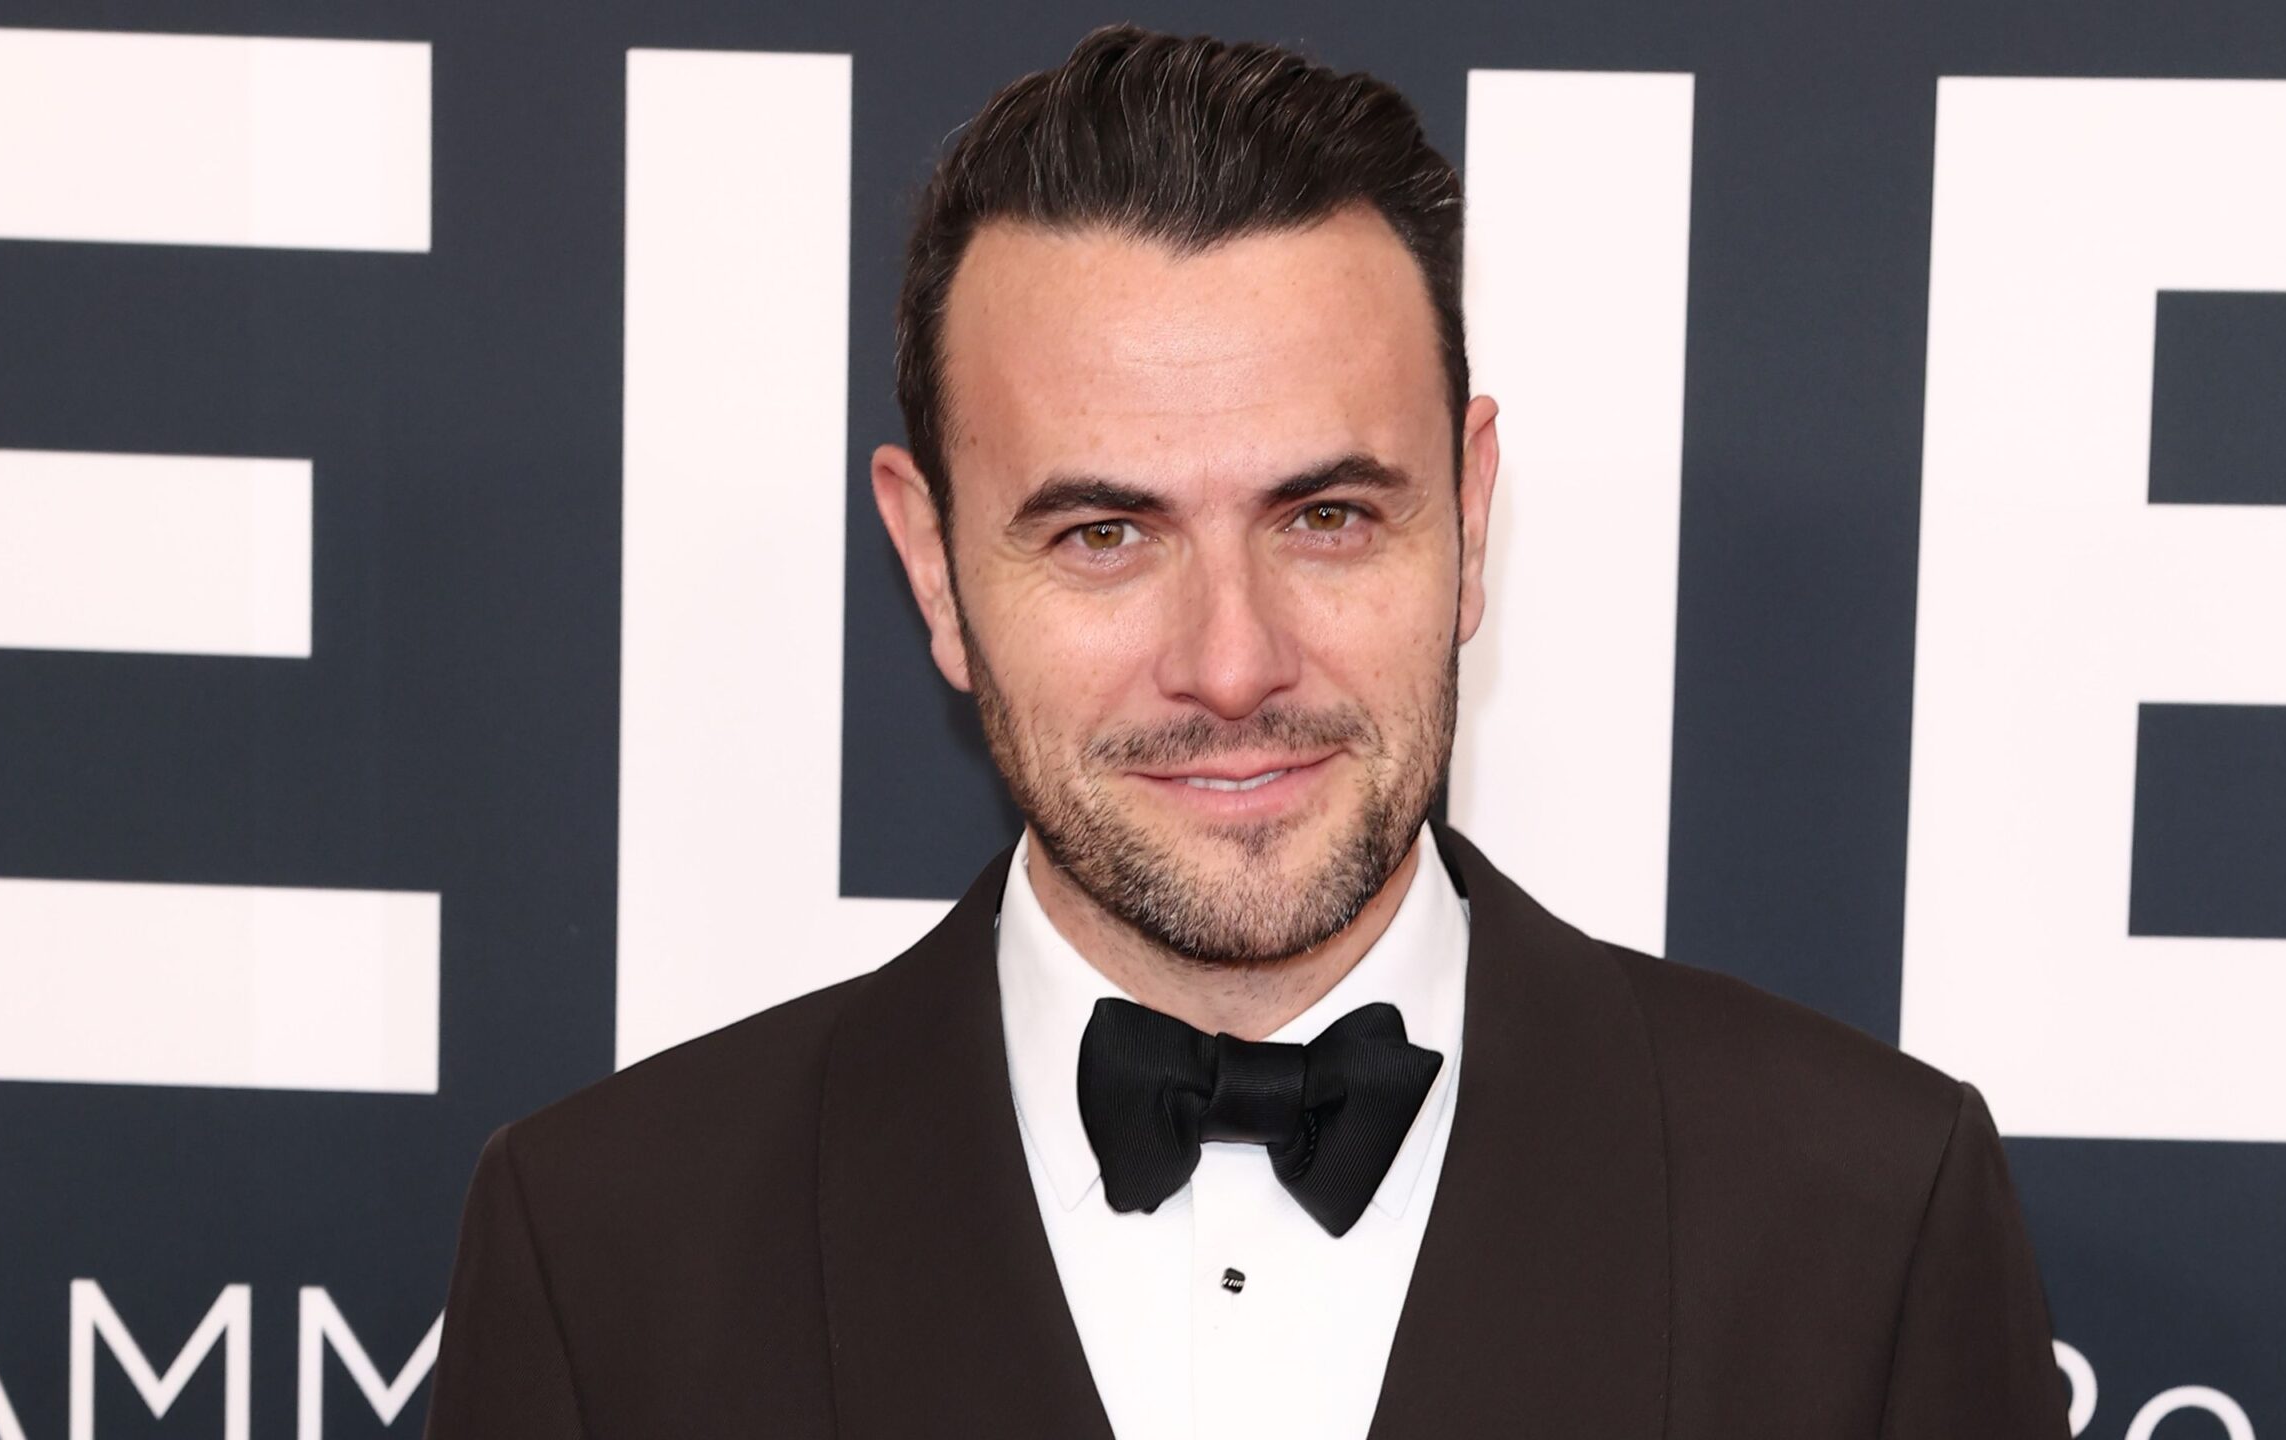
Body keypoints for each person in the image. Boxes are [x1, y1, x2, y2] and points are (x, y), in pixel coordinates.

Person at [423, 23, 2071, 1440]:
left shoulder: (1868, 1219)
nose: (1231, 665)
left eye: (1328, 517)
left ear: (1468, 515)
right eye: (1104, 535)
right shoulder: (608, 1258)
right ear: (932, 562)